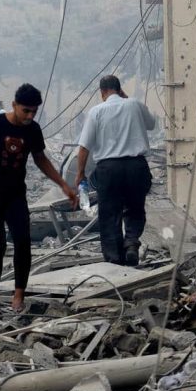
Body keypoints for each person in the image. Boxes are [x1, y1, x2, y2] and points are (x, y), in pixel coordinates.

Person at [0, 84, 77, 314]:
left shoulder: (33, 130)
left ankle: (18, 295)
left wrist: (63, 184)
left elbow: (40, 158)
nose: (29, 116)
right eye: (26, 111)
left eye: (33, 112)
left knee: (22, 241)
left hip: (15, 194)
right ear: (14, 105)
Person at [74, 75, 155, 267]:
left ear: (102, 92)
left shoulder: (96, 111)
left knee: (110, 214)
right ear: (120, 89)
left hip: (109, 169)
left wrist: (80, 173)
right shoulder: (134, 104)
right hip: (136, 166)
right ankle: (131, 244)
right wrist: (126, 99)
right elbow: (151, 124)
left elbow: (84, 147)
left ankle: (114, 259)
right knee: (135, 208)